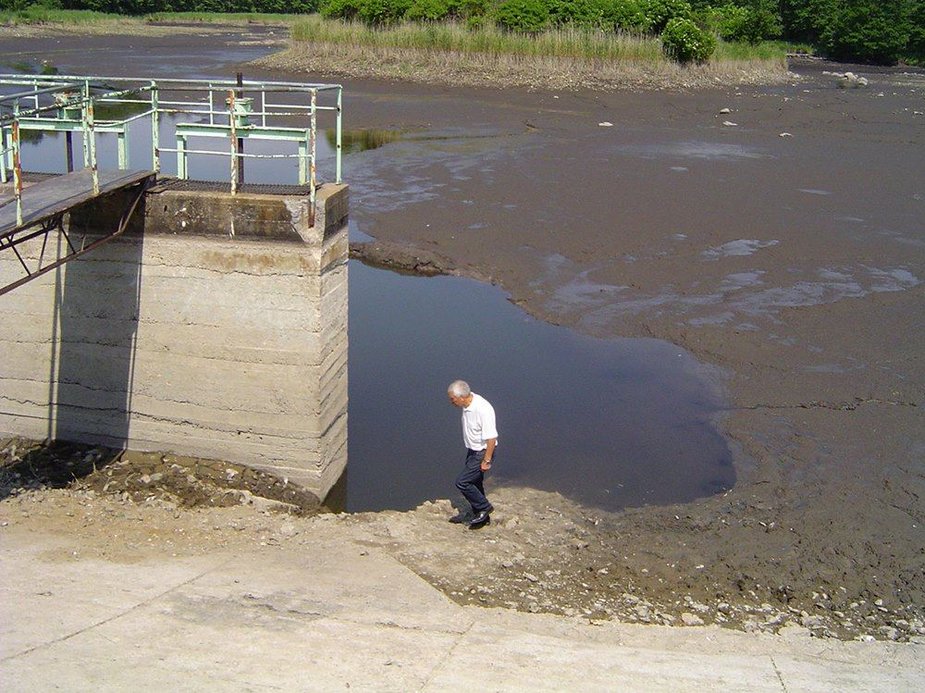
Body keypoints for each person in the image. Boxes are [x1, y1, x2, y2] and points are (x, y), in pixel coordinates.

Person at [447, 379, 498, 529]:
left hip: (482, 452)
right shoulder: (467, 403)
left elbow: (491, 437)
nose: (452, 402)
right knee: (475, 482)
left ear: (462, 397)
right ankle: (481, 516)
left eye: (453, 399)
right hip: (473, 449)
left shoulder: (482, 409)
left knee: (463, 482)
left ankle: (484, 507)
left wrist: (486, 460)